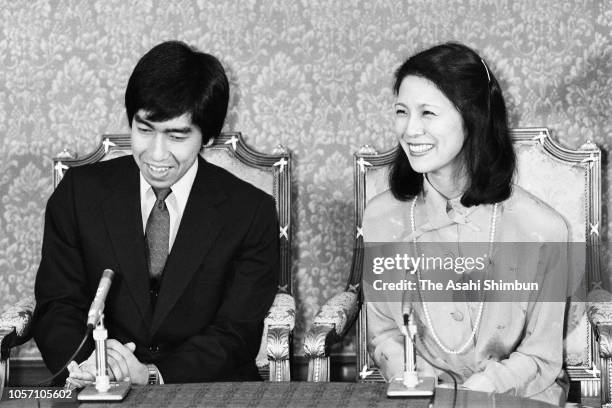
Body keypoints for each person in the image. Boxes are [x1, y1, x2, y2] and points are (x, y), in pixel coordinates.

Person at [33, 40, 279, 385]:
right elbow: (58, 304)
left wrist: (152, 375)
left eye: (176, 136)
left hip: (206, 389)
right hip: (96, 383)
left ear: (207, 137)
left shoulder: (250, 211)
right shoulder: (79, 193)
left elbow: (236, 331)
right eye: (145, 130)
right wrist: (93, 364)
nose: (157, 155)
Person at [363, 42, 569, 405]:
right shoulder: (381, 218)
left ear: (473, 118)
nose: (410, 130)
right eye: (401, 111)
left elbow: (541, 355)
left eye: (428, 112)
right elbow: (383, 334)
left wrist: (476, 394)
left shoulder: (543, 229)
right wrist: (416, 380)